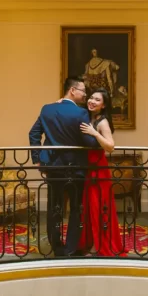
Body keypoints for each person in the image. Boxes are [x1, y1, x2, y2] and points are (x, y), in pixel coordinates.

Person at [29, 76, 98, 257]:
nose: (85, 95)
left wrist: (37, 158)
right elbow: (89, 142)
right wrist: (97, 136)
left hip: (53, 166)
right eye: (83, 91)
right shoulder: (81, 113)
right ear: (72, 90)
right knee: (76, 208)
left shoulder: (47, 109)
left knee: (55, 206)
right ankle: (70, 249)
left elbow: (33, 133)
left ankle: (56, 246)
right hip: (76, 167)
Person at [78, 88, 127, 256]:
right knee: (89, 207)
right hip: (88, 167)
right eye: (91, 98)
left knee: (98, 207)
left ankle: (98, 246)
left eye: (97, 100)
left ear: (104, 105)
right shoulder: (88, 116)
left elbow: (110, 146)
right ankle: (91, 242)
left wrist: (94, 133)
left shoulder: (102, 122)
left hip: (98, 169)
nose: (92, 101)